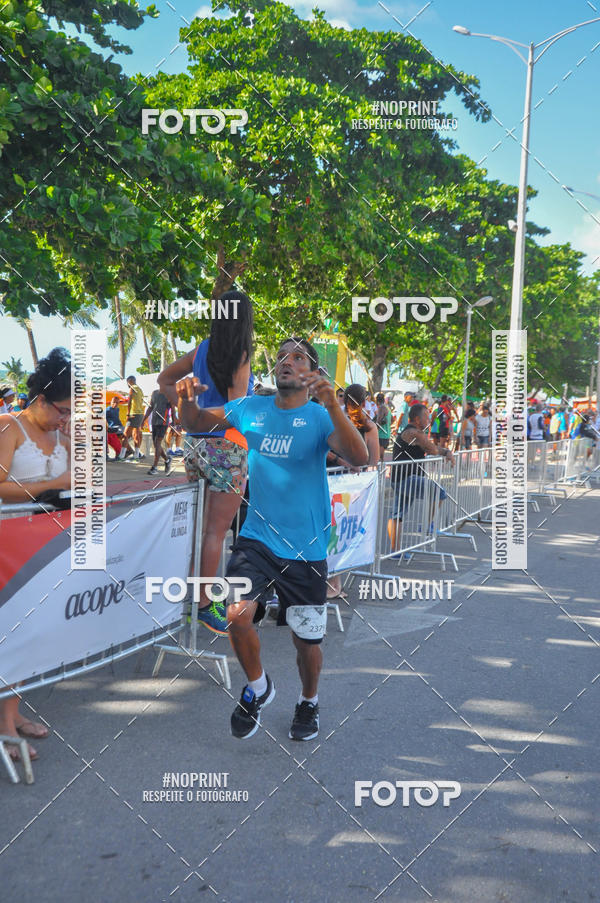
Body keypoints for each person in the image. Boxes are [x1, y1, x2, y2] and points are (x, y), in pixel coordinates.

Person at [175, 337, 369, 741]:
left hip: (307, 548)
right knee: (236, 614)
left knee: (306, 641)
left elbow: (360, 456)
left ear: (312, 372)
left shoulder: (319, 417)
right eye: (282, 355)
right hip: (257, 539)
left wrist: (333, 404)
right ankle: (259, 687)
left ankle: (308, 701)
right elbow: (196, 422)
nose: (287, 361)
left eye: (298, 357)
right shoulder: (250, 408)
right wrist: (186, 401)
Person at [159, 290, 254, 636]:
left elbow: (164, 380)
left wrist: (190, 413)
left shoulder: (202, 349)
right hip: (228, 449)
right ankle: (202, 605)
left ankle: (189, 600)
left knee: (199, 530)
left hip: (194, 447)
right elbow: (237, 411)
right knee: (216, 533)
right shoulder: (240, 354)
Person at [0, 348, 71, 762]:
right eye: (61, 409)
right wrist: (54, 483)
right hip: (8, 541)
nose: (65, 418)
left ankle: (14, 712)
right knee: (10, 630)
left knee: (29, 632)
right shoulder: (9, 427)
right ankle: (6, 727)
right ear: (40, 400)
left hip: (43, 544)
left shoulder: (63, 434)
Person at [387, 403, 454, 553]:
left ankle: (395, 551)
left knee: (397, 514)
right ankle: (426, 526)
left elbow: (430, 447)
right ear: (417, 419)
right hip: (406, 478)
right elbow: (432, 449)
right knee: (439, 492)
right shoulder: (413, 433)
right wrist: (446, 452)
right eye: (427, 417)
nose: (429, 419)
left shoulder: (415, 432)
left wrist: (444, 451)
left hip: (401, 478)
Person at [143, 389, 173, 476]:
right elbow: (150, 407)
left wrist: (174, 421)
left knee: (157, 443)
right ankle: (167, 460)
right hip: (154, 422)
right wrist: (143, 419)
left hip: (163, 422)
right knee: (156, 445)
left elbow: (172, 408)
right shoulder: (154, 393)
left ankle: (155, 467)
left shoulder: (169, 393)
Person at [123, 375, 145, 459]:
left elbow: (129, 402)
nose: (127, 384)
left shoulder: (132, 389)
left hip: (133, 414)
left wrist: (128, 414)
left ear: (130, 381)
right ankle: (136, 455)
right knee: (137, 435)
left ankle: (122, 455)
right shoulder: (140, 390)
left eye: (127, 382)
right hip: (140, 414)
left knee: (125, 435)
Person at [375, 392, 392, 462]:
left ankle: (380, 472)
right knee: (381, 457)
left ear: (376, 400)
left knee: (379, 457)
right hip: (386, 434)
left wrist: (374, 431)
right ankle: (381, 471)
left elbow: (378, 422)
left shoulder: (381, 408)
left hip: (381, 435)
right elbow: (392, 420)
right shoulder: (387, 407)